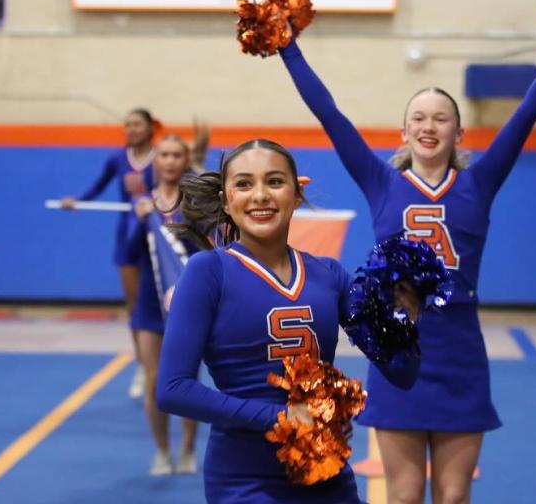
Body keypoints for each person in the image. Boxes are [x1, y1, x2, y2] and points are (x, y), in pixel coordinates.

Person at [277, 27, 536, 503]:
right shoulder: (381, 181)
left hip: (460, 352)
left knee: (454, 496)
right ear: (404, 132)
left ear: (458, 133)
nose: (429, 125)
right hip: (399, 353)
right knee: (402, 495)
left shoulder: (478, 183)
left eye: (441, 118)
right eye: (418, 117)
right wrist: (287, 48)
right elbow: (328, 113)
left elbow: (526, 115)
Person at [156, 138, 420, 504]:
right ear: (226, 199)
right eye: (244, 184)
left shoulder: (329, 275)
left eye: (275, 182)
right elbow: (172, 389)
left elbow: (401, 373)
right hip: (244, 479)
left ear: (297, 194)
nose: (260, 195)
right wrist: (280, 417)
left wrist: (404, 319)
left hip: (326, 473)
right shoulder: (209, 271)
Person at [62, 109, 158, 399]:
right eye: (127, 125)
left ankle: (164, 366)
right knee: (135, 306)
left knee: (165, 304)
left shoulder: (163, 157)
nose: (131, 129)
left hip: (158, 236)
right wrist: (77, 201)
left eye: (137, 124)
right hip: (128, 234)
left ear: (150, 127)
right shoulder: (117, 159)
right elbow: (98, 186)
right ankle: (143, 364)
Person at [128, 134, 199, 475]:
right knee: (155, 378)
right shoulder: (142, 203)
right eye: (164, 155)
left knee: (185, 378)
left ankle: (187, 448)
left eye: (176, 155)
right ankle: (161, 449)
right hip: (148, 304)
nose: (170, 161)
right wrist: (141, 220)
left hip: (185, 302)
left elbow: (204, 253)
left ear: (186, 161)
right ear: (155, 161)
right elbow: (129, 254)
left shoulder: (195, 204)